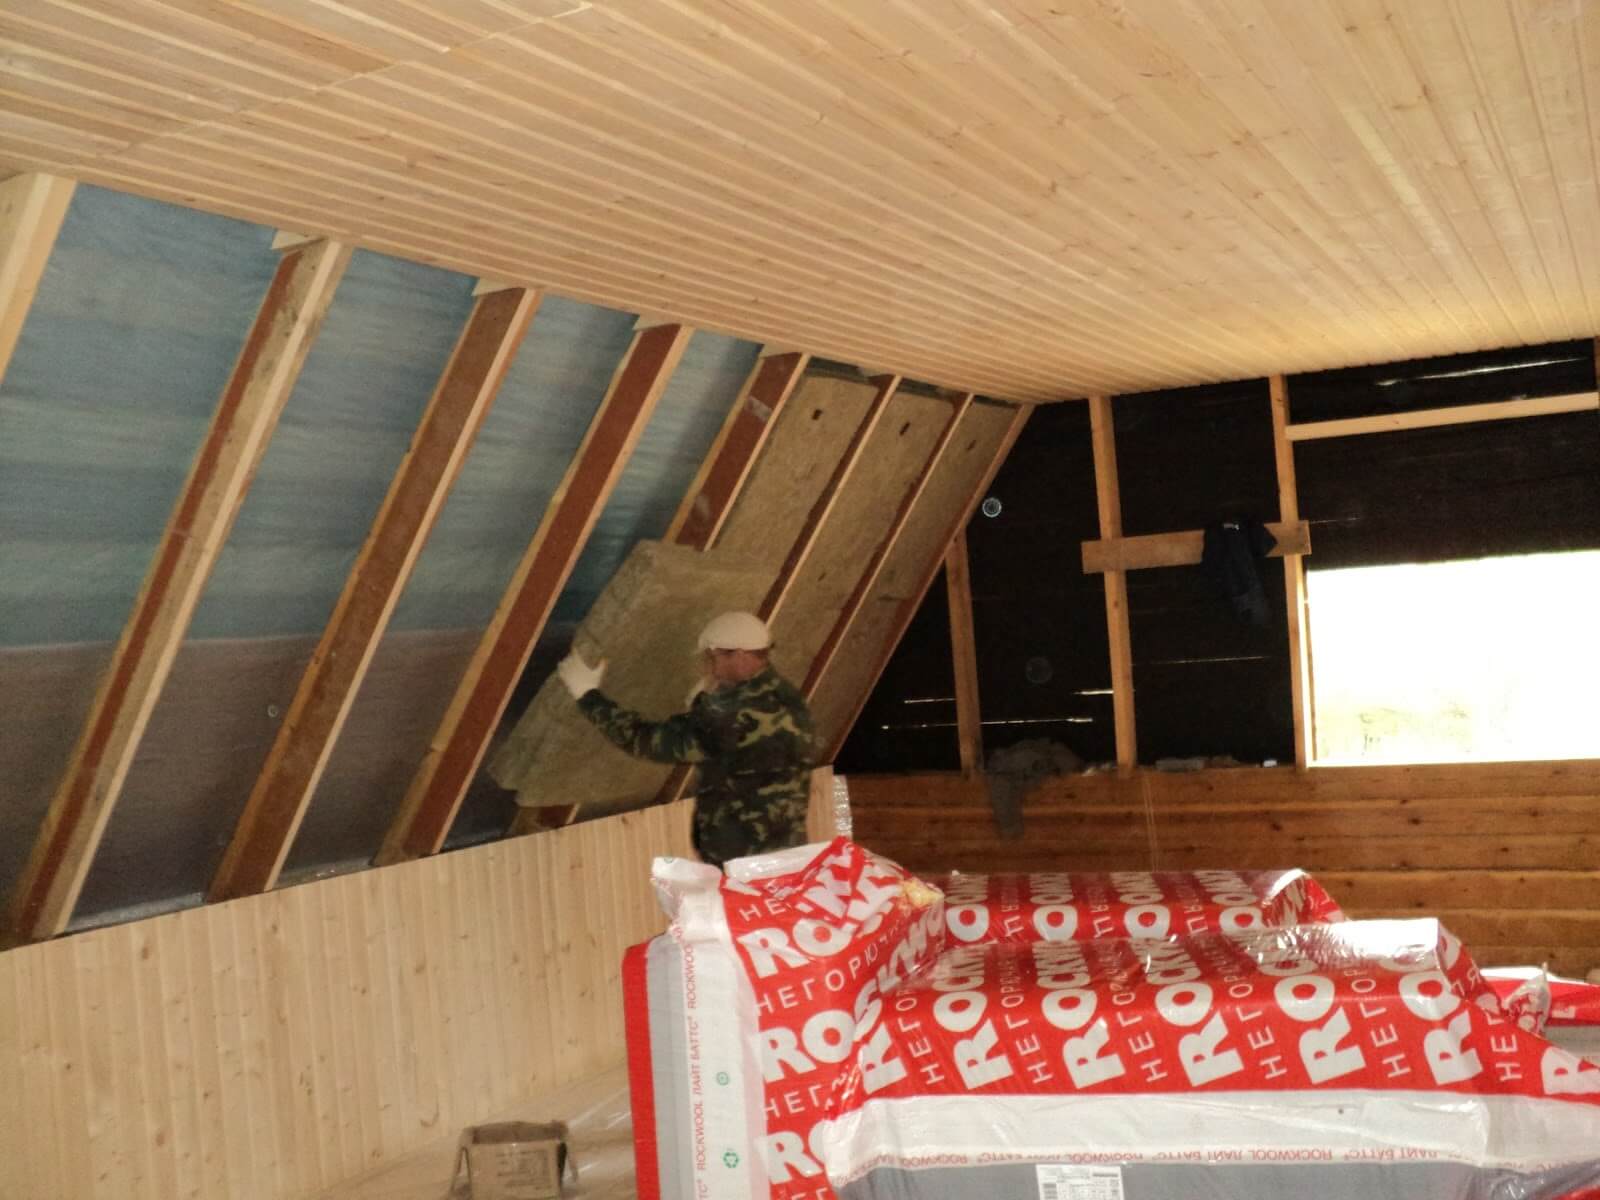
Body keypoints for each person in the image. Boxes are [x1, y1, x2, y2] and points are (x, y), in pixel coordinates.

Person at [556, 611, 815, 868]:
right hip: (786, 851)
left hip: (746, 860)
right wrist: (705, 706)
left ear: (739, 655)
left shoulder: (732, 713)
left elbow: (647, 741)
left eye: (713, 658)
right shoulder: (786, 695)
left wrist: (588, 695)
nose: (711, 669)